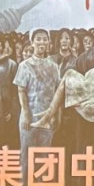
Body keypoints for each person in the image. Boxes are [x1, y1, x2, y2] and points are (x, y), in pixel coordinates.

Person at [13, 28, 61, 161]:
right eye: (38, 39)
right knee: (27, 155)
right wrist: (26, 112)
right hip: (30, 116)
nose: (42, 42)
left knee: (44, 155)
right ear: (32, 43)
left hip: (47, 117)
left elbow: (57, 93)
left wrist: (56, 115)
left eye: (45, 39)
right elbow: (21, 90)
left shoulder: (53, 66)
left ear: (49, 42)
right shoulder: (24, 65)